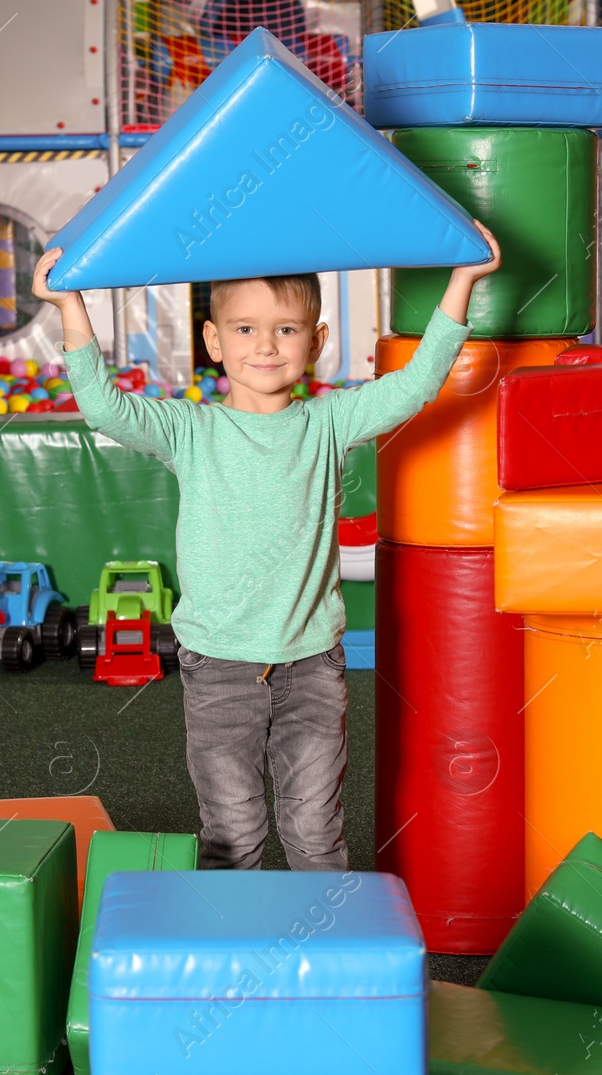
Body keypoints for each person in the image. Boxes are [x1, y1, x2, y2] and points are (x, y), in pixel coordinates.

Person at [32, 223, 501, 870]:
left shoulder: (328, 423)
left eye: (286, 328)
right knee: (233, 834)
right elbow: (105, 409)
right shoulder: (192, 428)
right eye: (246, 329)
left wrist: (462, 281)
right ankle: (234, 955)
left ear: (318, 342)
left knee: (314, 832)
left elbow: (416, 386)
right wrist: (69, 306)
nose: (267, 345)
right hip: (219, 667)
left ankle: (325, 958)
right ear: (213, 341)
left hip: (311, 666)